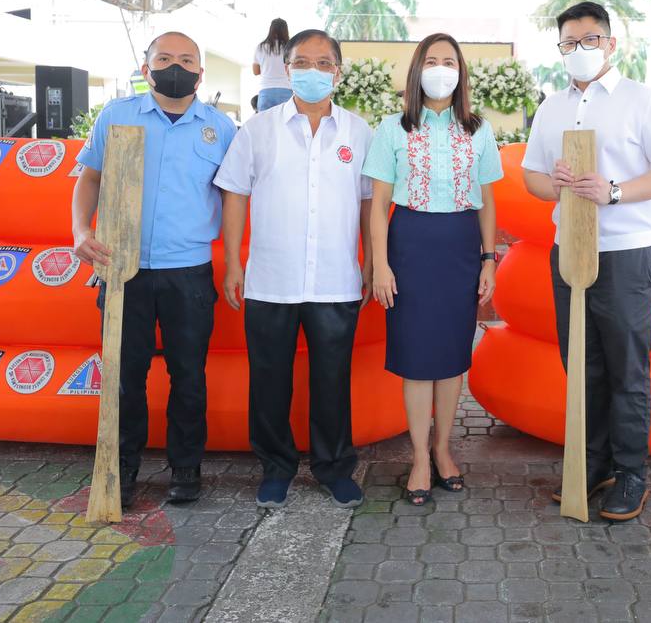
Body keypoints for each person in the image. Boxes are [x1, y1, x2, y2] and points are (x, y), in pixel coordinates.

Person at [522, 2, 651, 522]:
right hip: (569, 248)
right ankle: (591, 465)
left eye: (589, 40)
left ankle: (631, 471)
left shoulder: (641, 101)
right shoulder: (552, 107)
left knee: (626, 366)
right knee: (582, 363)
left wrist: (613, 191)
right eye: (569, 43)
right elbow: (531, 176)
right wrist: (554, 184)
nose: (579, 50)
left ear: (611, 44)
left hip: (625, 251)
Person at [71, 31, 236, 507]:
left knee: (189, 376)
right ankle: (121, 469)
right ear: (146, 69)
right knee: (125, 377)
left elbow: (232, 198)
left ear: (200, 73)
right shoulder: (117, 116)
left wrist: (233, 262)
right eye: (164, 59)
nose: (175, 67)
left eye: (186, 59)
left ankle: (186, 467)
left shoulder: (220, 129)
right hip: (122, 269)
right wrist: (81, 230)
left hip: (189, 273)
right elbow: (90, 179)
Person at [215, 29, 373, 510]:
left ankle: (334, 468)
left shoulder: (358, 132)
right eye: (302, 62)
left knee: (332, 380)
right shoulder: (257, 129)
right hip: (271, 279)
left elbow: (370, 204)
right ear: (286, 69)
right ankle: (276, 468)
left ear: (338, 72)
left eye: (323, 63)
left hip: (335, 280)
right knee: (269, 380)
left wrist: (370, 262)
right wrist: (234, 262)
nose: (312, 71)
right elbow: (235, 195)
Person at [363, 33, 502, 506]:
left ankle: (444, 449)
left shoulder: (479, 129)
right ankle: (419, 457)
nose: (441, 69)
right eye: (431, 61)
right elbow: (379, 204)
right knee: (418, 357)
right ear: (416, 69)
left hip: (460, 245)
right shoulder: (392, 128)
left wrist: (488, 260)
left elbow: (487, 201)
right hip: (410, 245)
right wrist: (381, 266)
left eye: (449, 62)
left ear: (461, 72)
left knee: (451, 356)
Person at [253, 18, 292, 113]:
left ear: (271, 30)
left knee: (264, 121)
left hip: (266, 91)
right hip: (286, 89)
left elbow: (256, 71)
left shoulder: (260, 47)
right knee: (286, 121)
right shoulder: (291, 48)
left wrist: (267, 68)